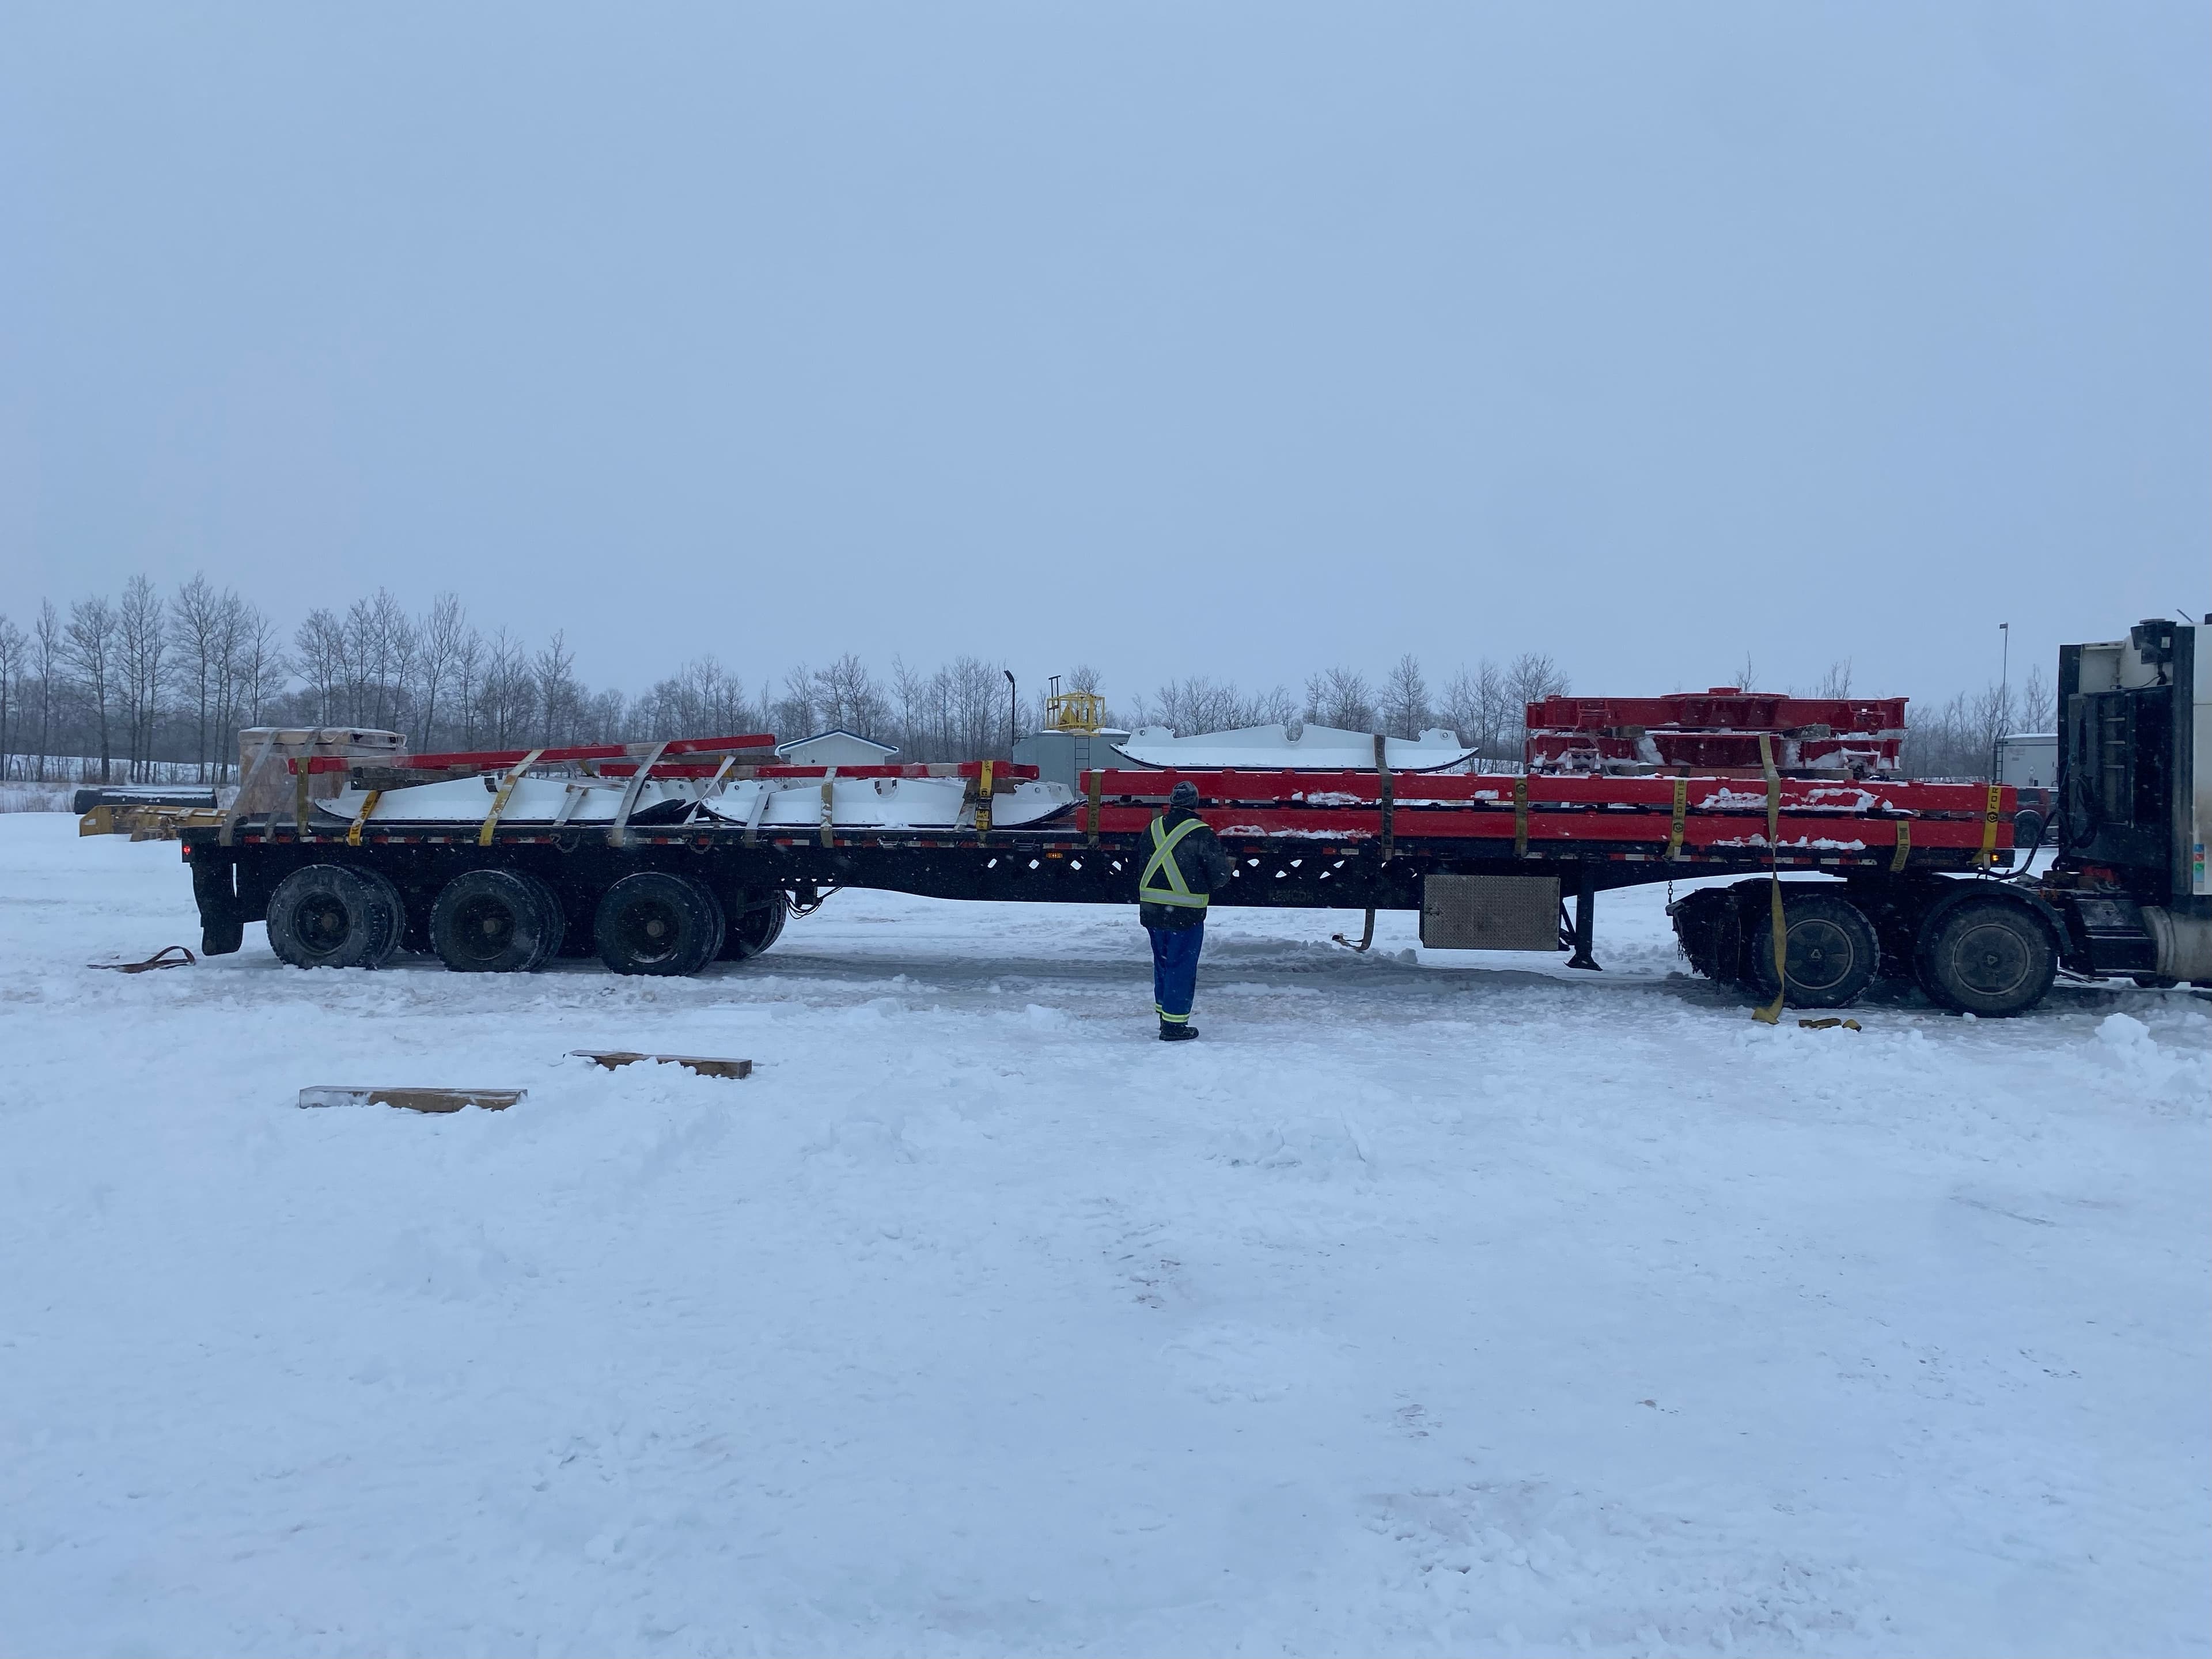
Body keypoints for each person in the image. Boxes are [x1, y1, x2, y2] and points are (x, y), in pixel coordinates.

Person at [1138, 778, 1233, 1041]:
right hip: (1185, 914)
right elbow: (1218, 876)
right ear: (1195, 803)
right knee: (1182, 967)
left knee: (1164, 965)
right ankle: (1174, 1027)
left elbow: (1141, 864)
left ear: (1171, 802)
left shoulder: (1153, 828)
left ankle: (1164, 1016)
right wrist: (1228, 868)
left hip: (1153, 911)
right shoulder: (1202, 833)